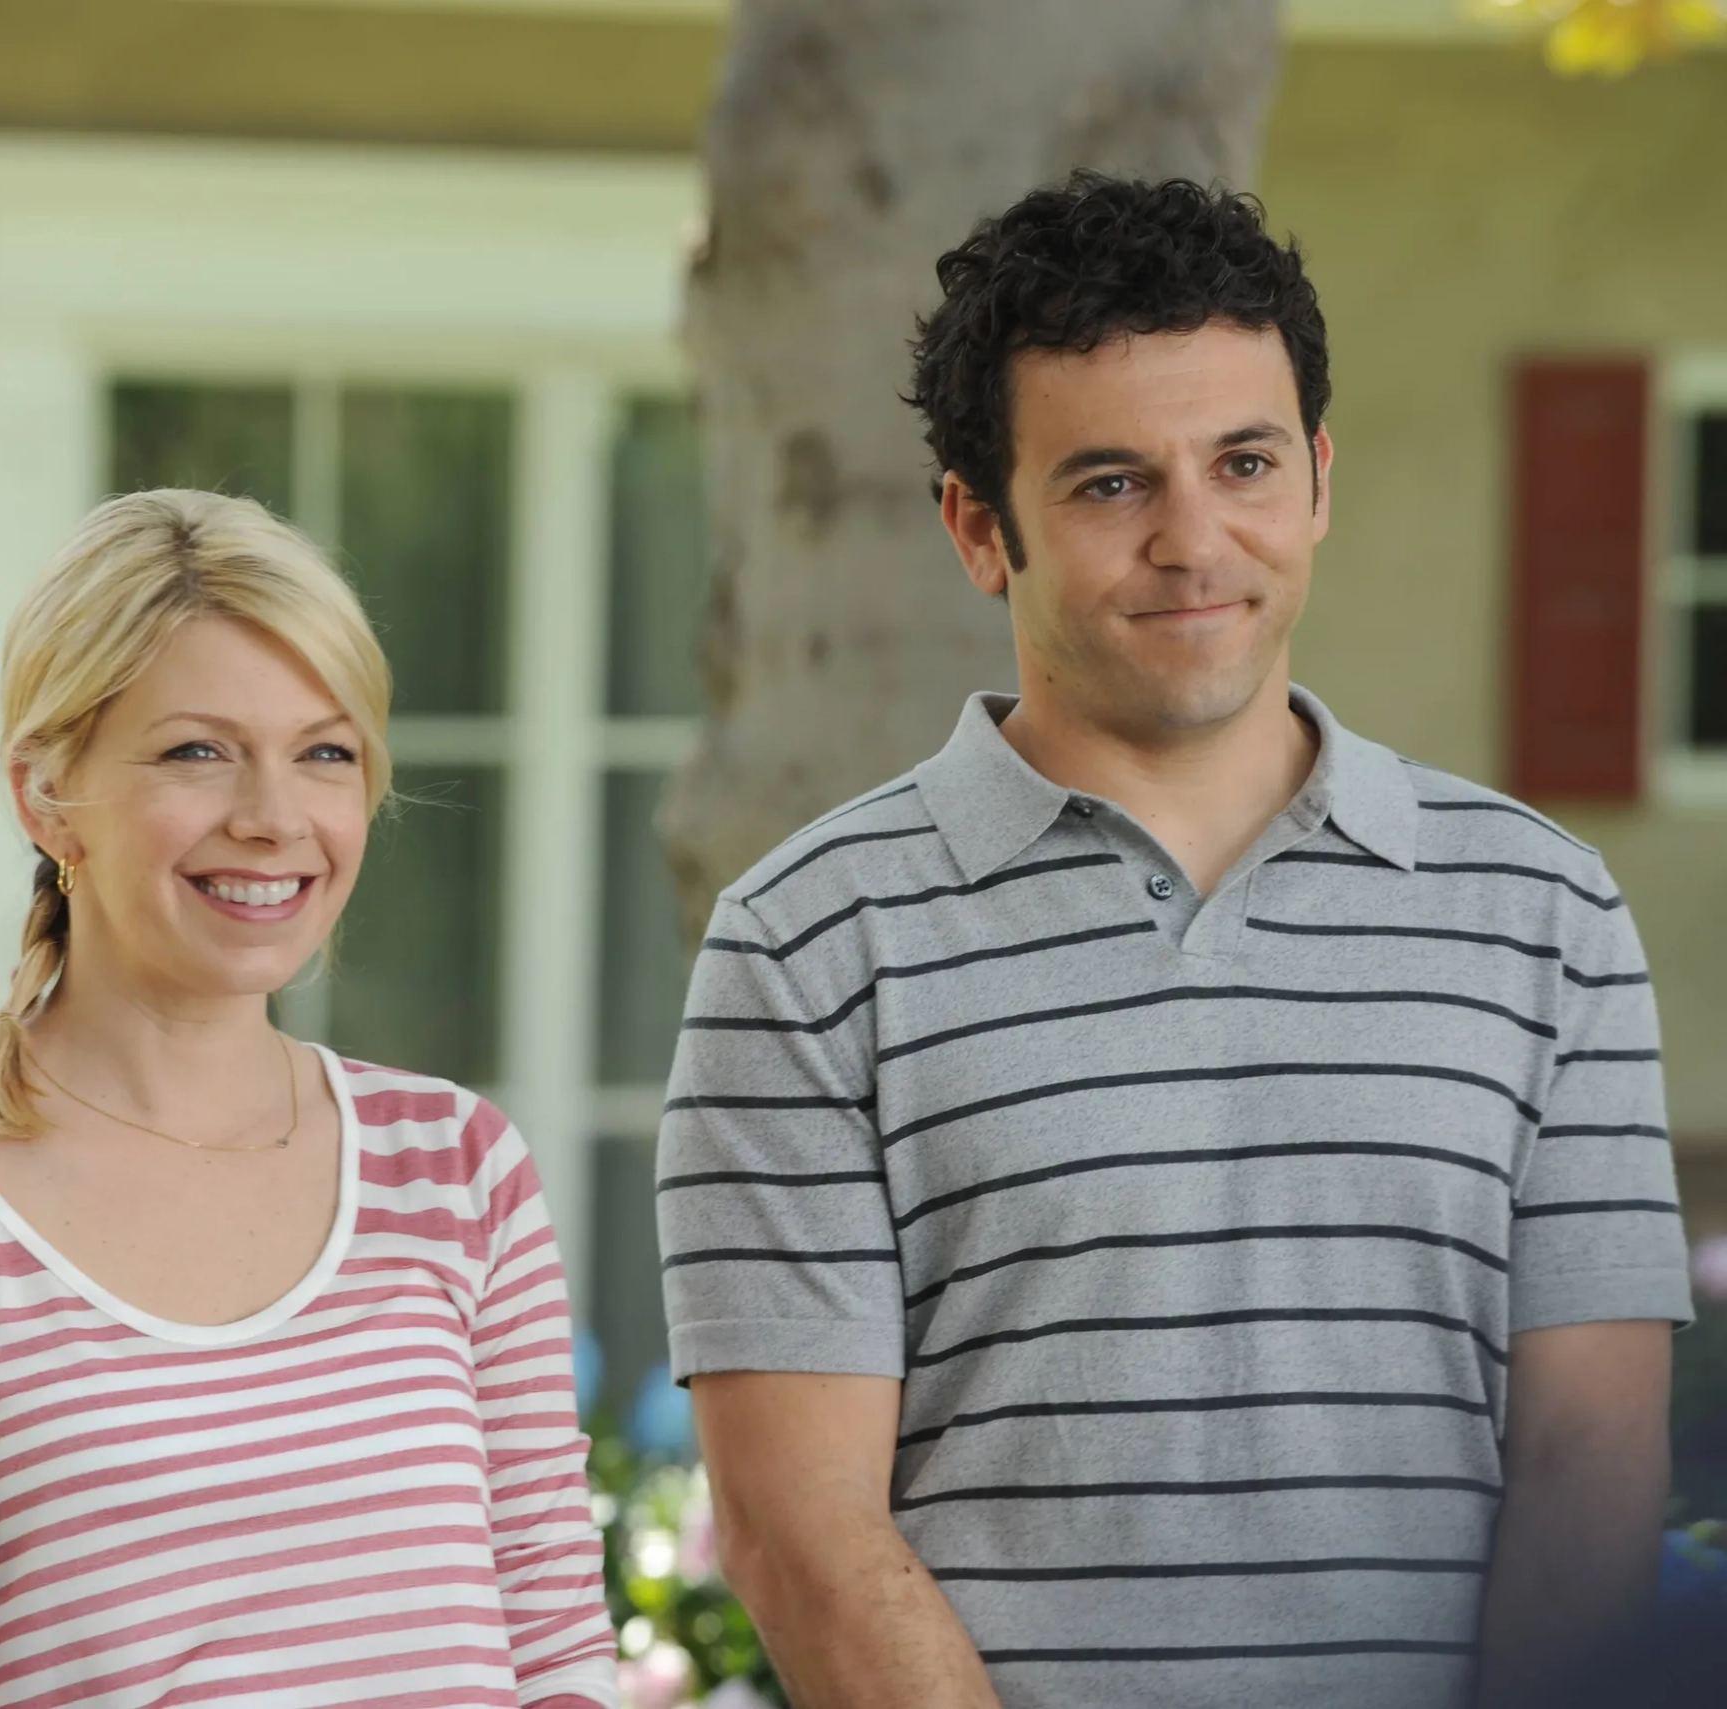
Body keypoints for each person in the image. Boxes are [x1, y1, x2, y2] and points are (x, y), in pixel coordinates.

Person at [656, 175, 1693, 1709]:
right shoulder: (805, 946)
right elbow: (800, 1534)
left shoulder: (1544, 916)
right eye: (1109, 484)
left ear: (1320, 479)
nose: (1196, 541)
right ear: (976, 525)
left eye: (1245, 462)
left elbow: (1592, 1471)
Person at [0, 490, 615, 1708]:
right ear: (43, 793)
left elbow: (558, 1656)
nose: (274, 817)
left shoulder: (454, 1163)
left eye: (325, 753)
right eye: (198, 749)